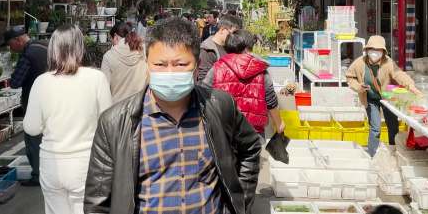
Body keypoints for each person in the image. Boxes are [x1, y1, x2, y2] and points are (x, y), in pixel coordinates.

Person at [84, 17, 261, 214]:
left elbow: (251, 148)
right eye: (160, 64)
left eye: (180, 64)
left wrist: (239, 204)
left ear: (197, 65)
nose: (169, 72)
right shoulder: (115, 123)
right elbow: (97, 203)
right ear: (147, 64)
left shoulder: (219, 106)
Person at [24, 25, 112, 214]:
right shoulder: (97, 78)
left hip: (51, 163)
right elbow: (108, 123)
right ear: (80, 47)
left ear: (53, 49)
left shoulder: (41, 82)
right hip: (86, 161)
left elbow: (31, 128)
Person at [346, 35, 421, 157]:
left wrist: (410, 85)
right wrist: (359, 87)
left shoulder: (388, 63)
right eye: (372, 49)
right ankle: (373, 154)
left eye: (378, 50)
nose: (375, 53)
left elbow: (399, 75)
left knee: (393, 125)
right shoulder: (359, 63)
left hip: (388, 99)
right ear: (367, 50)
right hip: (370, 98)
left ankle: (393, 151)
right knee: (375, 127)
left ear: (383, 51)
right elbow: (350, 77)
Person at [202, 30, 285, 137]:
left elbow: (203, 94)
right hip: (254, 132)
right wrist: (279, 123)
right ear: (247, 48)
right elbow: (271, 100)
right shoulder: (260, 69)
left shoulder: (217, 68)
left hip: (224, 131)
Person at [4, 25, 48, 187]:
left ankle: (38, 175)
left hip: (34, 104)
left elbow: (15, 82)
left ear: (18, 40)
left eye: (10, 45)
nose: (10, 48)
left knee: (33, 139)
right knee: (50, 139)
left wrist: (12, 76)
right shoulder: (45, 45)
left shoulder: (28, 55)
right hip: (54, 101)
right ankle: (49, 172)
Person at [101, 21, 148, 100]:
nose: (112, 43)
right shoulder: (143, 50)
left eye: (111, 39)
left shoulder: (108, 56)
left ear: (115, 36)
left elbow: (104, 89)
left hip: (117, 107)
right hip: (140, 106)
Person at [197, 15, 241, 84]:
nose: (234, 37)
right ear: (222, 30)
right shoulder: (207, 49)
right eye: (233, 33)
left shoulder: (231, 46)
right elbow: (203, 80)